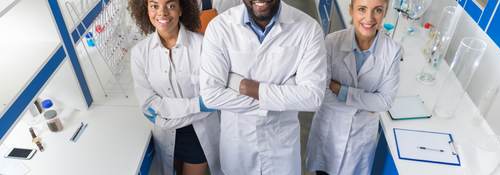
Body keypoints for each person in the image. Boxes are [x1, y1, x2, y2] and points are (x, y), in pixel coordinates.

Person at [199, 0, 327, 174]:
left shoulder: (308, 29)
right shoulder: (219, 27)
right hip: (237, 147)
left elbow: (312, 98)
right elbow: (211, 95)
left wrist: (240, 85)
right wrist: (285, 94)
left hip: (281, 149)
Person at [305, 0, 402, 174]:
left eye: (377, 10)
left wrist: (341, 90)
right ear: (351, 10)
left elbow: (385, 101)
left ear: (385, 12)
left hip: (359, 141)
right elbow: (321, 92)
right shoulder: (332, 42)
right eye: (362, 9)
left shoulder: (392, 51)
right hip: (329, 133)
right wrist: (367, 103)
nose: (369, 18)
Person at [128, 0, 222, 174]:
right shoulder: (139, 53)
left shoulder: (203, 46)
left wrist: (163, 117)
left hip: (198, 138)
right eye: (154, 6)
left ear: (181, 9)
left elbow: (212, 100)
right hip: (166, 137)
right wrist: (197, 105)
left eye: (170, 5)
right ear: (146, 10)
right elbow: (148, 104)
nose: (162, 13)